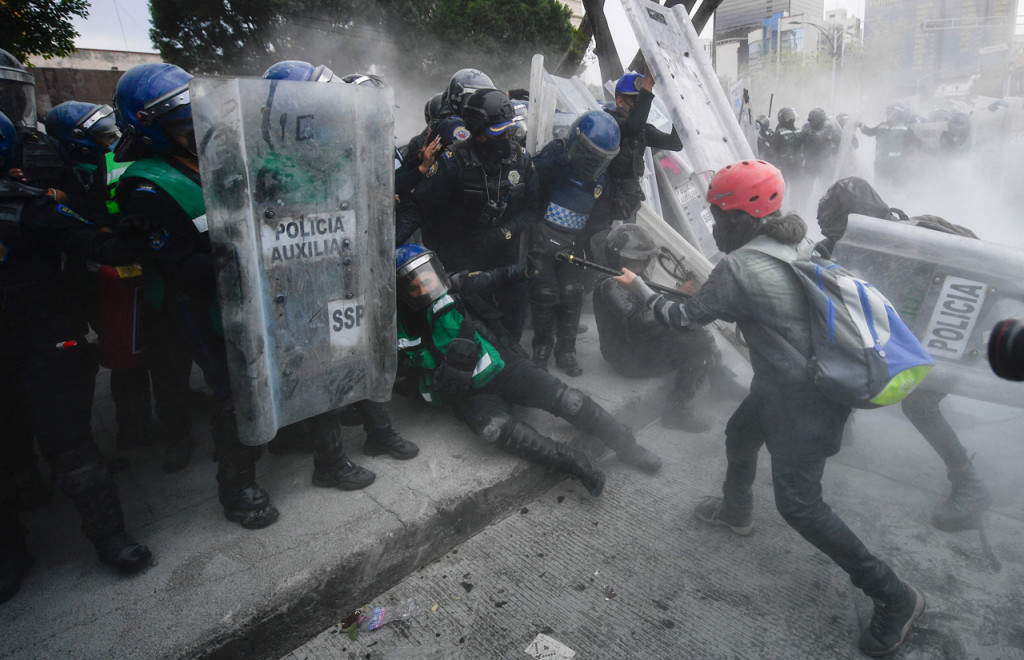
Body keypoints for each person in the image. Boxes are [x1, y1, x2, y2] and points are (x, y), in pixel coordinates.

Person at [612, 160, 925, 657]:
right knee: (740, 433)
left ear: (741, 218)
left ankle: (895, 595)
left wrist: (640, 287)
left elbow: (682, 318)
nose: (715, 225)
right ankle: (736, 511)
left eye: (719, 215)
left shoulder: (739, 267)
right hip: (785, 381)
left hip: (805, 398)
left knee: (800, 505)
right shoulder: (796, 240)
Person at [1, 109, 152, 605]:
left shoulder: (27, 206)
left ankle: (110, 536)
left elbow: (97, 244)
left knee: (71, 447)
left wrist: (135, 229)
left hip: (41, 341)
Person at [395, 244, 664, 494]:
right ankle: (570, 461)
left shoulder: (457, 287)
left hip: (506, 366)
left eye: (427, 278)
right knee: (493, 430)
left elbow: (492, 278)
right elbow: (407, 381)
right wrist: (439, 377)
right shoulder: (404, 328)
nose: (424, 287)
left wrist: (525, 271)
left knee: (570, 401)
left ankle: (628, 447)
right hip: (471, 394)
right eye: (415, 287)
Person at [260, 61, 421, 463]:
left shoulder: (334, 154)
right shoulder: (275, 167)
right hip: (305, 285)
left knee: (356, 353)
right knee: (318, 366)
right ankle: (329, 461)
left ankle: (379, 434)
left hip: (344, 273)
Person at [817, 176, 992, 531]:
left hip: (964, 332)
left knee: (918, 404)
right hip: (941, 331)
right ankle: (840, 429)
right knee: (851, 348)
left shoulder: (913, 242)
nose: (835, 241)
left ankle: (970, 484)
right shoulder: (894, 232)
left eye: (839, 233)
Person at [397, 88, 539, 342]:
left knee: (515, 306)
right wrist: (390, 246)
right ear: (480, 133)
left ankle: (513, 355)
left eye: (510, 129)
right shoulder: (453, 161)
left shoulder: (520, 159)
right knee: (467, 325)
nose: (507, 137)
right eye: (499, 132)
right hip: (461, 255)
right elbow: (418, 207)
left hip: (503, 251)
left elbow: (534, 208)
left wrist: (503, 233)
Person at [593, 224, 744, 431]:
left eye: (643, 261)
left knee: (695, 330)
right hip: (626, 357)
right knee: (696, 350)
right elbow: (639, 322)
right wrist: (675, 299)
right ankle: (676, 410)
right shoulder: (610, 283)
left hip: (639, 343)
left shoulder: (630, 276)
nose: (641, 266)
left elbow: (650, 306)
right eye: (635, 262)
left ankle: (720, 381)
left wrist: (674, 300)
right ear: (619, 258)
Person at [528, 109, 620, 377]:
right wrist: (563, 161)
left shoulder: (602, 178)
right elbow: (530, 178)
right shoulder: (556, 154)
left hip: (572, 245)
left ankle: (566, 351)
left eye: (601, 158)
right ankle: (541, 348)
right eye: (590, 154)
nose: (593, 163)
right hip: (542, 239)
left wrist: (595, 248)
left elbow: (600, 218)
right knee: (545, 294)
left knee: (573, 292)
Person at [585, 69, 682, 238]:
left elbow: (674, 143)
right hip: (603, 203)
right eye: (635, 103)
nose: (640, 109)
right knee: (600, 245)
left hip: (627, 202)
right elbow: (631, 127)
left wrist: (679, 109)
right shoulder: (609, 124)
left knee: (627, 245)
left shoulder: (641, 129)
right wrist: (648, 84)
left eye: (641, 103)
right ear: (619, 101)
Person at [859, 102, 914, 189]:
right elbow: (870, 132)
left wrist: (932, 152)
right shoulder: (882, 125)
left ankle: (897, 197)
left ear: (898, 114)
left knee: (897, 188)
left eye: (890, 112)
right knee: (880, 187)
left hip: (896, 165)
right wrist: (861, 125)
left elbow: (915, 145)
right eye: (888, 112)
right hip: (880, 163)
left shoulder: (906, 129)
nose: (888, 114)